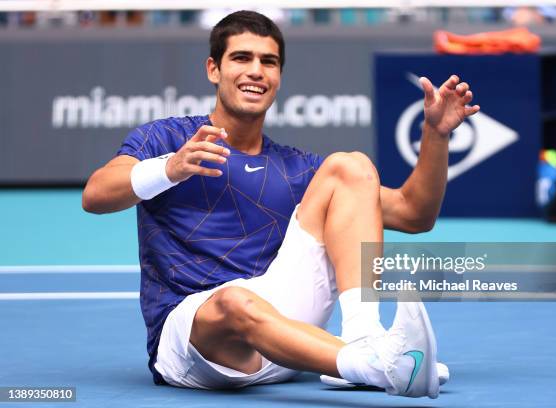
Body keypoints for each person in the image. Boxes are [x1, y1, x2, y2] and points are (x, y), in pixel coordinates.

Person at [82, 10, 479, 398]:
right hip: (197, 344)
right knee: (235, 301)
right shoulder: (168, 138)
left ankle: (365, 338)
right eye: (241, 57)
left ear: (278, 77)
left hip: (285, 335)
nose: (256, 70)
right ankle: (376, 365)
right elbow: (96, 195)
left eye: (268, 62)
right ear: (213, 69)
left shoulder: (295, 168)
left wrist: (436, 136)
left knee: (351, 166)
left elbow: (414, 214)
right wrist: (170, 168)